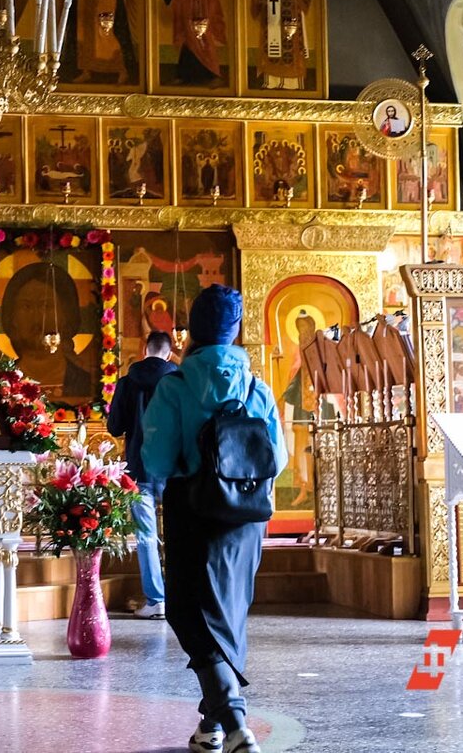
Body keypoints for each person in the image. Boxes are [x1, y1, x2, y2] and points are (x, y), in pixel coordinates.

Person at [142, 285, 287, 753]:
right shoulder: (256, 386)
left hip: (193, 511)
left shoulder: (176, 385)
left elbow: (158, 460)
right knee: (227, 617)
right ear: (235, 330)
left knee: (190, 613)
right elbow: (278, 459)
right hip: (248, 517)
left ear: (193, 328)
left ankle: (236, 719)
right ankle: (213, 728)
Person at [107, 330, 178, 618]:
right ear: (169, 354)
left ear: (144, 350)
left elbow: (114, 427)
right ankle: (181, 599)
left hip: (139, 466)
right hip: (175, 468)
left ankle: (156, 600)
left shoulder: (127, 382)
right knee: (179, 533)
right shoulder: (179, 382)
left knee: (147, 535)